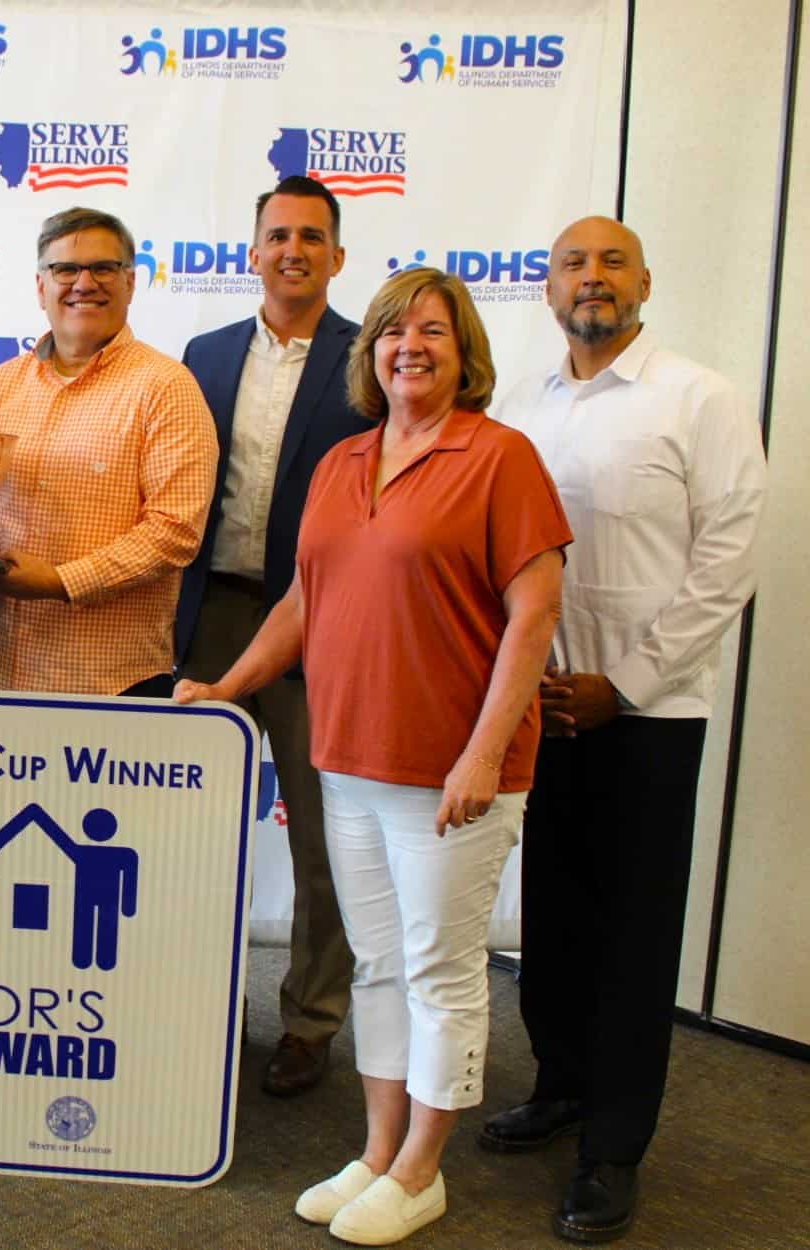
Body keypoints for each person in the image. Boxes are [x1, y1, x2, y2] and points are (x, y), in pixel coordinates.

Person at [176, 268, 571, 1245]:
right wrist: (229, 684)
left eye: (433, 331)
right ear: (372, 351)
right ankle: (378, 1148)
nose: (410, 346)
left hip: (452, 771)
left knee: (441, 969)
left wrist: (485, 750)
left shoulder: (501, 456)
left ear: (462, 349)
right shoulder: (345, 461)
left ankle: (424, 1167)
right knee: (381, 969)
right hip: (347, 756)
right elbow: (305, 603)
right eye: (394, 330)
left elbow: (536, 612)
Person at [484, 217, 767, 1244]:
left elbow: (728, 559)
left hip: (648, 711)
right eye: (572, 263)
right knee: (554, 910)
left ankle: (614, 1141)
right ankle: (560, 1083)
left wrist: (632, 681)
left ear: (645, 279)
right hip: (542, 703)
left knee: (633, 931)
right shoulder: (522, 402)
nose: (591, 278)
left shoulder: (700, 398)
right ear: (548, 287)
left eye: (611, 262)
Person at [176, 176, 367, 1097]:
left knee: (320, 837)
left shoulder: (374, 356)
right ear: (252, 251)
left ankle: (309, 1021)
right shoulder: (202, 355)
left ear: (338, 255)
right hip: (207, 615)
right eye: (278, 234)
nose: (293, 249)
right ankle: (182, 1002)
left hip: (322, 621)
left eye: (313, 236)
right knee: (185, 824)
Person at [0, 206, 216, 696]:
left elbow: (175, 531)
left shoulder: (166, 387)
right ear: (41, 286)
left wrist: (61, 581)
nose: (84, 282)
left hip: (111, 682)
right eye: (65, 269)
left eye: (104, 268)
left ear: (131, 283)